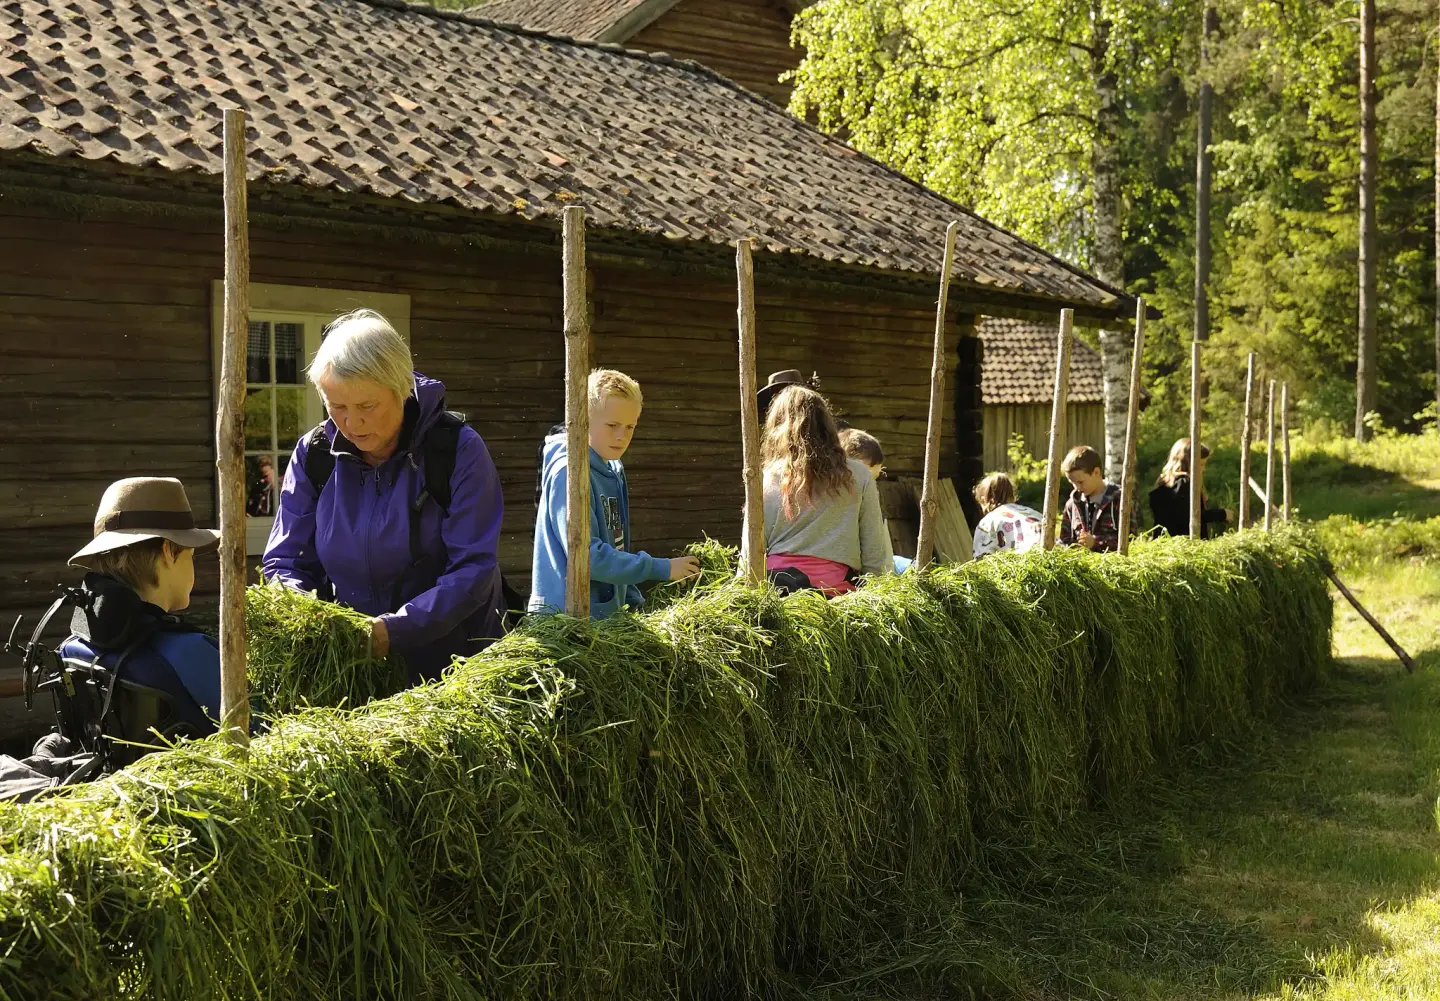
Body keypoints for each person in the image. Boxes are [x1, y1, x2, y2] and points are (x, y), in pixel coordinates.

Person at [263, 309, 506, 682]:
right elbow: (285, 560)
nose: (351, 423)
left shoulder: (457, 450)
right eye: (337, 407)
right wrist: (309, 616)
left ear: (402, 389)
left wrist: (395, 631)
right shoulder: (314, 455)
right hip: (353, 669)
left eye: (367, 407)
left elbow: (472, 570)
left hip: (457, 669)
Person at [530, 369, 700, 619]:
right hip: (566, 622)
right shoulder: (570, 473)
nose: (622, 436)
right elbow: (587, 556)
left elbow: (618, 543)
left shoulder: (612, 468)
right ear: (583, 418)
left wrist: (631, 600)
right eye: (612, 425)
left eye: (630, 426)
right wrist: (661, 568)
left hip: (604, 620)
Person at [63, 477, 223, 741]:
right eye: (190, 555)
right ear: (169, 552)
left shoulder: (73, 646)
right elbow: (262, 732)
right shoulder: (193, 652)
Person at [749, 385, 894, 594]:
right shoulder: (859, 474)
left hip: (777, 593)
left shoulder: (765, 478)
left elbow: (750, 554)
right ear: (827, 424)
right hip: (835, 594)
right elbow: (875, 554)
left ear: (777, 428)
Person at [839, 427, 913, 573]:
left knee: (912, 567)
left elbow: (883, 550)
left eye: (874, 478)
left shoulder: (873, 499)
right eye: (864, 476)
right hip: (854, 574)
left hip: (884, 570)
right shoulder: (839, 505)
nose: (870, 485)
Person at [1149, 437, 1232, 539]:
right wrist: (1222, 514)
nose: (1203, 469)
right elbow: (1188, 516)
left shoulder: (1164, 483)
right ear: (1187, 463)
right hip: (1181, 545)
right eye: (1201, 464)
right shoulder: (1184, 483)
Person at [1059, 445, 1125, 552]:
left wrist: (1096, 542)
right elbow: (1064, 540)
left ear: (1096, 472)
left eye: (1080, 482)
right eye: (1073, 483)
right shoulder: (1072, 504)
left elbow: (1131, 540)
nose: (1077, 488)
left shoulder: (1119, 499)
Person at [971, 472, 1044, 557]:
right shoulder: (1034, 514)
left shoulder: (987, 524)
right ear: (1012, 494)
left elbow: (981, 560)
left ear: (983, 499)